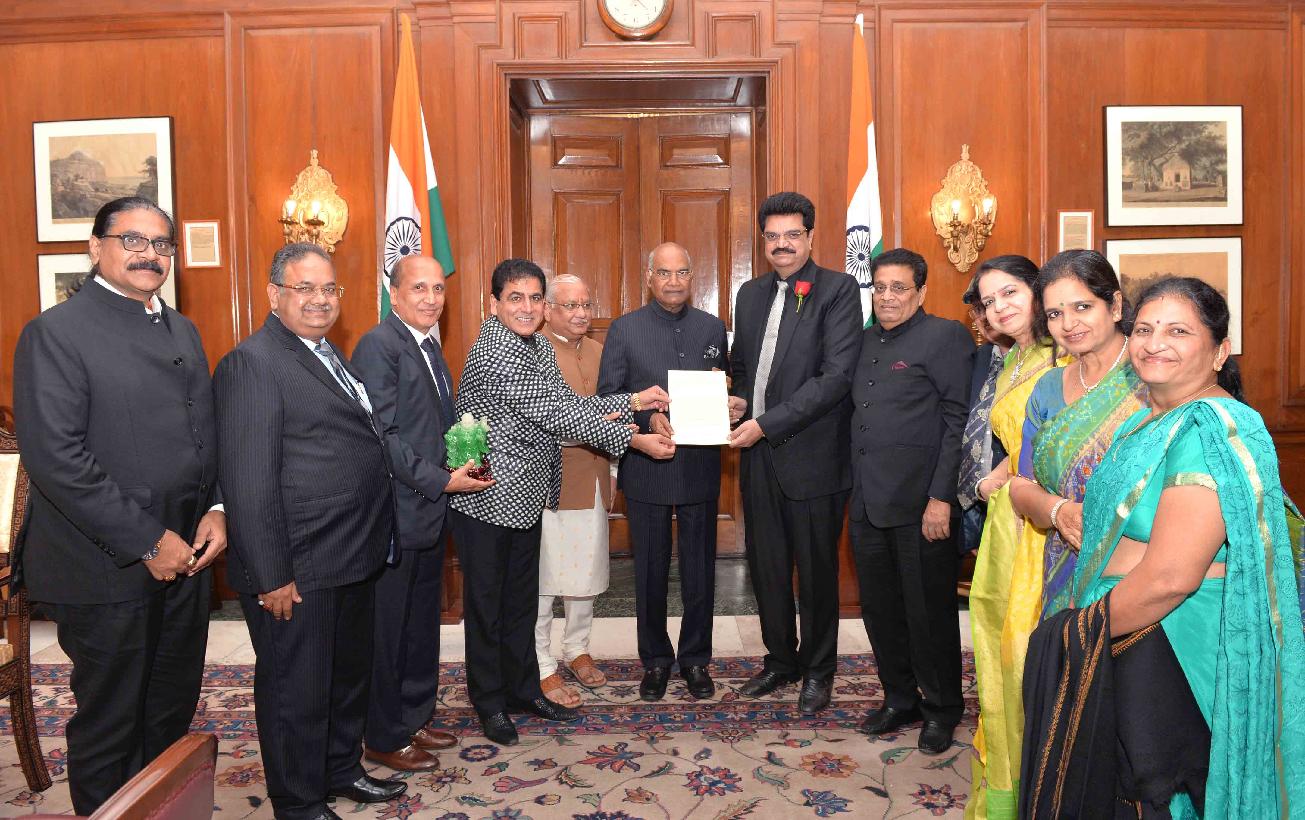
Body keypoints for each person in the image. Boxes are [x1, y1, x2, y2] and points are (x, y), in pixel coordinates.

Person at [1022, 277, 1305, 818]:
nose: (1155, 343)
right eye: (1145, 330)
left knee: (1165, 794)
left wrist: (1073, 635)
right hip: (1130, 630)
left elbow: (1172, 577)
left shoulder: (1211, 428)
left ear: (1219, 351)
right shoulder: (1147, 420)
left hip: (1173, 638)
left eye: (1178, 331)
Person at [12, 197, 225, 815]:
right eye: (132, 240)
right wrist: (149, 542)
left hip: (187, 558)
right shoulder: (55, 333)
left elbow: (205, 435)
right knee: (112, 720)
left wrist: (217, 508)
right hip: (105, 566)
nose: (148, 254)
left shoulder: (182, 328)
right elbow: (57, 459)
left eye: (161, 244)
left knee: (170, 707)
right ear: (95, 247)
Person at [450, 258, 675, 746]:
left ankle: (523, 689)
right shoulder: (496, 348)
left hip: (526, 497)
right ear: (494, 303)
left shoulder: (534, 346)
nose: (528, 307)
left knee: (518, 604)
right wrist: (634, 439)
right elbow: (554, 414)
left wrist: (634, 401)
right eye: (516, 297)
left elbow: (569, 402)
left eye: (535, 297)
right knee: (488, 608)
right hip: (487, 499)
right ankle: (489, 702)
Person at [214, 243, 404, 820]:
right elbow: (248, 481)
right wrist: (271, 573)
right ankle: (297, 800)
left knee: (345, 678)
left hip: (351, 552)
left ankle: (340, 769)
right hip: (297, 565)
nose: (320, 300)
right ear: (275, 295)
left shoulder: (326, 353)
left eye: (328, 289)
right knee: (297, 690)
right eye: (305, 288)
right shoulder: (253, 362)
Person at [351, 254, 492, 771]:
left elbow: (434, 427)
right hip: (397, 513)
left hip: (430, 512)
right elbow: (382, 435)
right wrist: (440, 480)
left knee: (419, 625)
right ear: (394, 294)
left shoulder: (428, 345)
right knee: (390, 630)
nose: (432, 298)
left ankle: (414, 716)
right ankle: (383, 735)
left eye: (438, 289)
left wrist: (463, 467)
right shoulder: (379, 345)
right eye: (419, 288)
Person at [727, 191, 863, 715]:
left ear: (809, 237)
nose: (781, 244)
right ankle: (780, 661)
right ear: (763, 241)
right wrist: (740, 399)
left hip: (813, 457)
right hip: (758, 456)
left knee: (816, 571)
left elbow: (835, 378)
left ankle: (819, 669)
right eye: (772, 236)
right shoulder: (750, 294)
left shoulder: (838, 290)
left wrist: (766, 423)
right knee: (767, 567)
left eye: (792, 234)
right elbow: (743, 365)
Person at [598, 243, 738, 702]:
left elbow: (723, 383)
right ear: (649, 277)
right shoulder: (624, 329)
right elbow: (608, 398)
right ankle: (656, 661)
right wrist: (647, 418)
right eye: (664, 273)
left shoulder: (712, 327)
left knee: (700, 571)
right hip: (647, 466)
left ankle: (696, 659)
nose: (673, 281)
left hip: (700, 466)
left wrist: (727, 401)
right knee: (650, 571)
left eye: (681, 273)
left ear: (692, 277)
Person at [848, 248, 974, 754]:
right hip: (867, 503)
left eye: (898, 288)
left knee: (928, 614)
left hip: (922, 506)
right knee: (880, 612)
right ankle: (900, 698)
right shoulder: (862, 341)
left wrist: (941, 498)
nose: (887, 297)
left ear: (921, 292)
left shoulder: (945, 337)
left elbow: (959, 421)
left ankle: (942, 708)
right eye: (879, 287)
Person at [964, 254, 1065, 820]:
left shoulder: (1064, 355)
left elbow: (1060, 443)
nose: (998, 307)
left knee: (1027, 655)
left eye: (1009, 293)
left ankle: (1042, 786)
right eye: (989, 300)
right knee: (996, 646)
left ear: (1037, 292)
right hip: (1007, 520)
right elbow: (1020, 441)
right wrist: (995, 479)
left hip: (1045, 524)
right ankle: (1006, 783)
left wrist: (1004, 481)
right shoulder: (1014, 357)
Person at [1009, 250, 1147, 618]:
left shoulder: (1151, 376)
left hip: (1144, 568)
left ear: (1115, 305)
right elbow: (1021, 485)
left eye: (1082, 307)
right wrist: (1058, 512)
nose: (1068, 324)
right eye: (1055, 314)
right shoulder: (1048, 387)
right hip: (1064, 563)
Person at [534, 274, 614, 709]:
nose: (581, 313)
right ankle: (541, 661)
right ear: (548, 310)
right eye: (570, 305)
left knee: (586, 572)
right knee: (546, 577)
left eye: (586, 304)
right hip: (550, 482)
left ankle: (577, 647)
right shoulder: (534, 351)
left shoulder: (601, 352)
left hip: (595, 475)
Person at [957, 281, 1013, 555]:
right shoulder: (976, 358)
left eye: (988, 305)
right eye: (978, 309)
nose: (985, 316)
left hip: (1014, 496)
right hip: (971, 501)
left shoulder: (1043, 361)